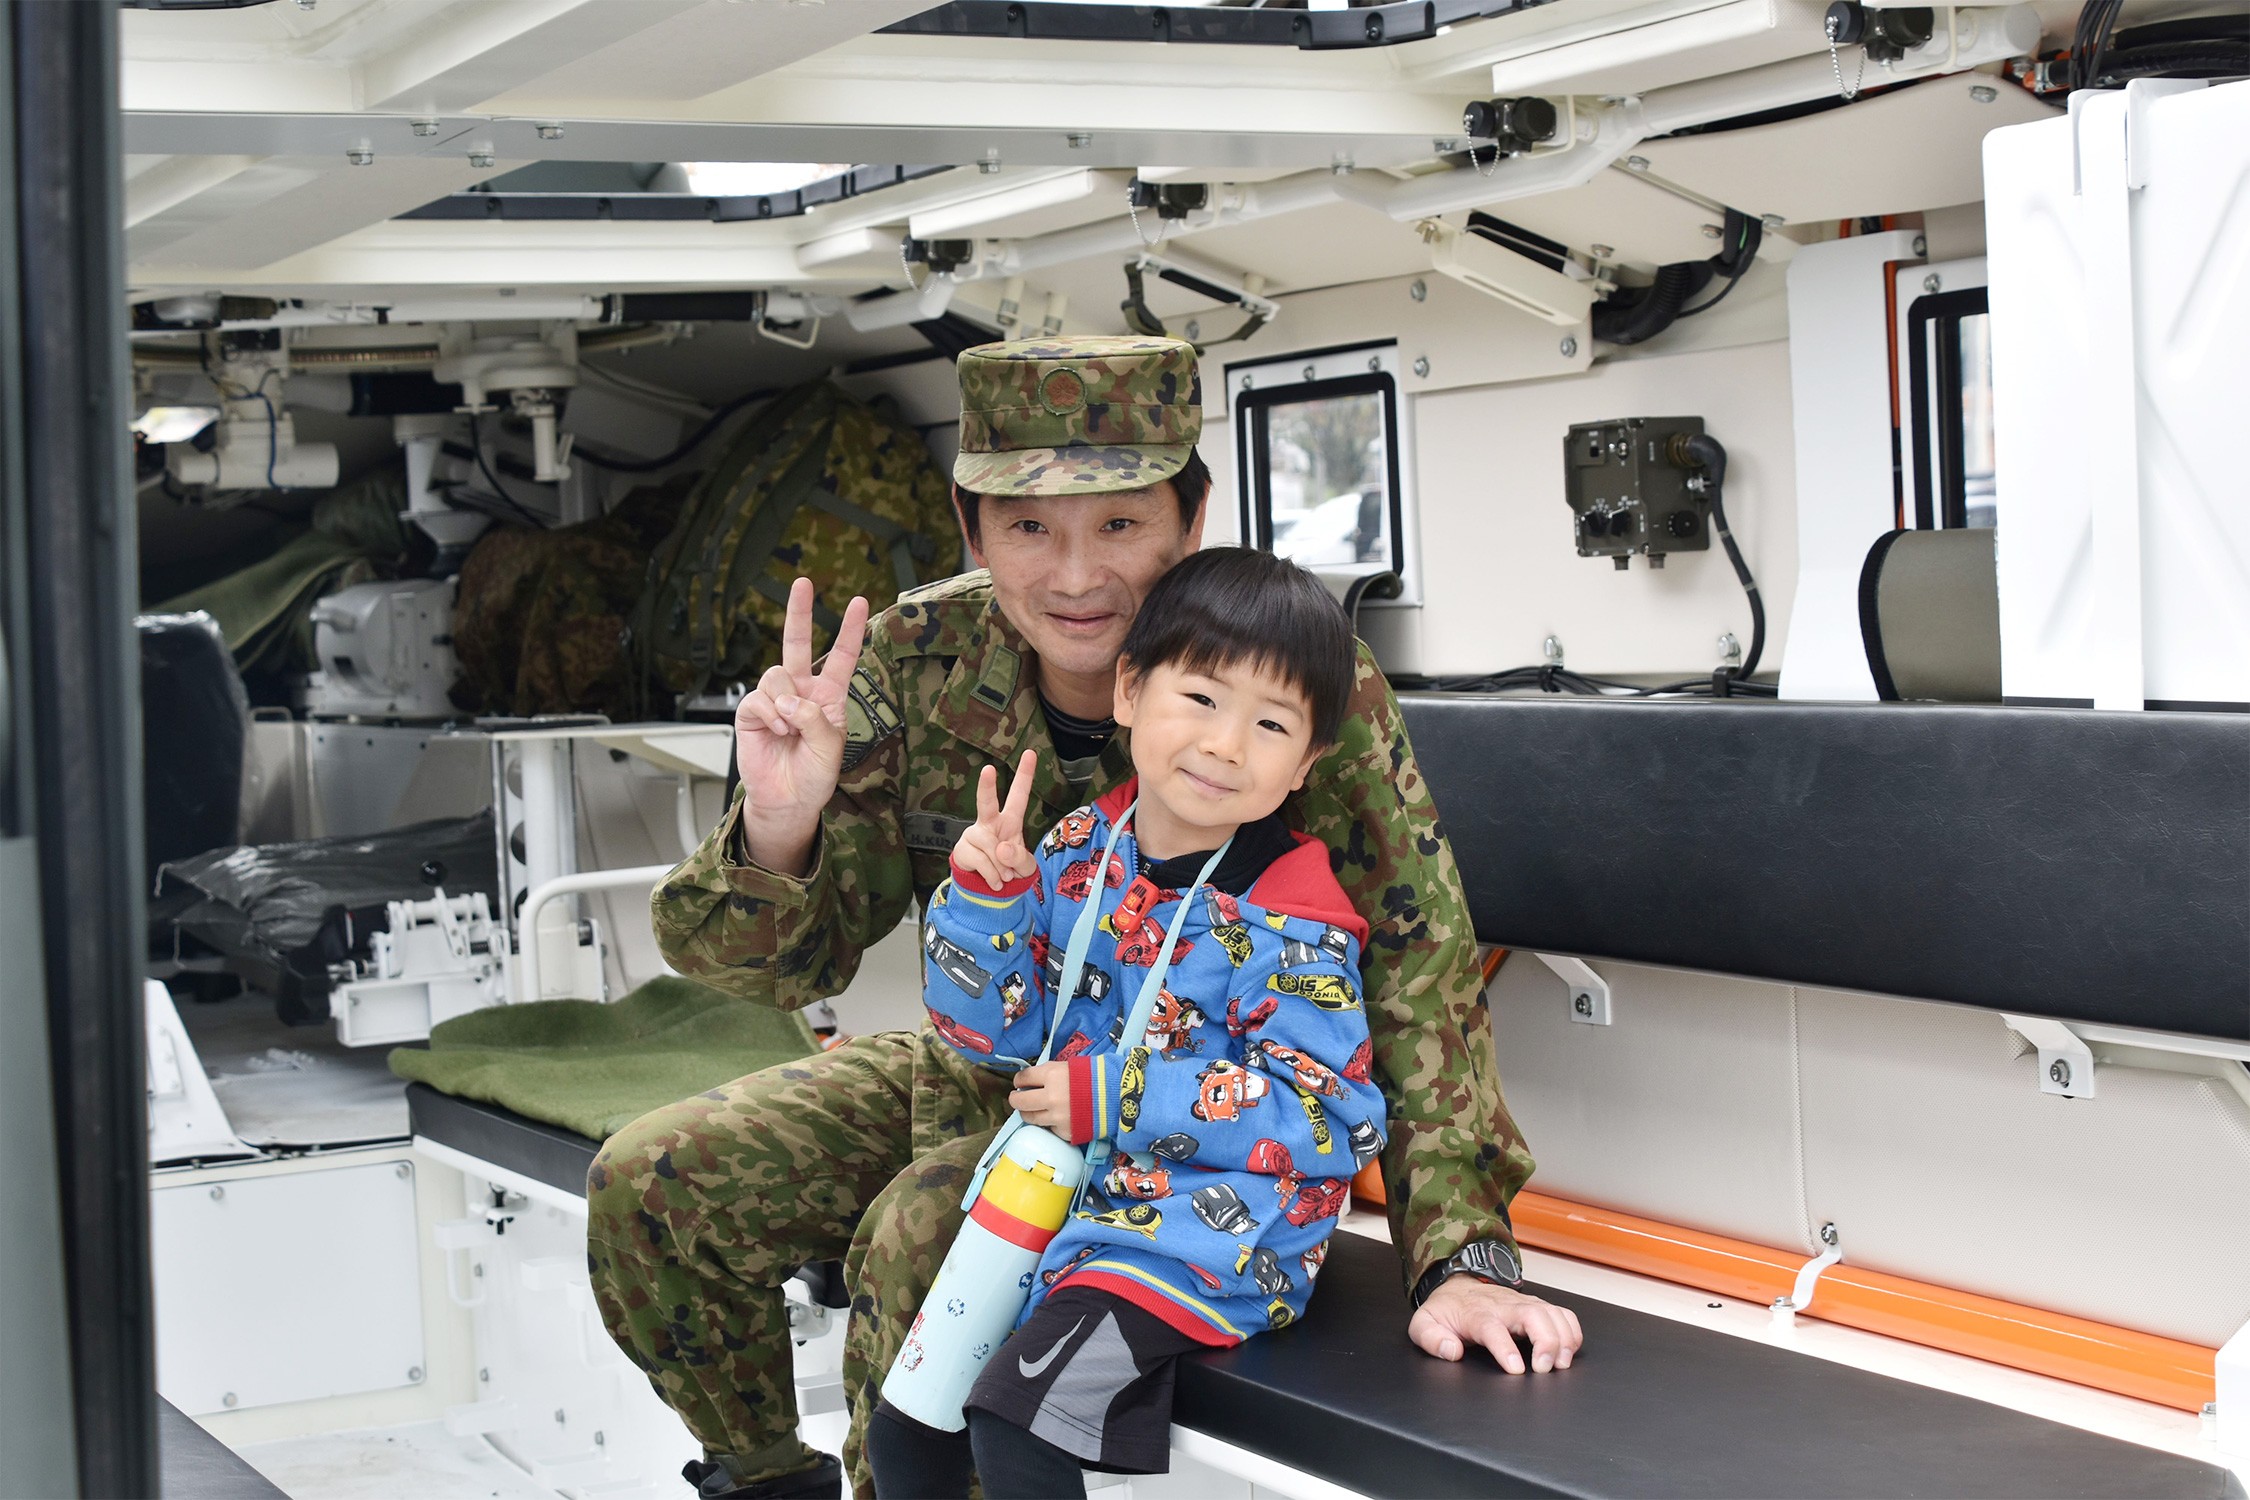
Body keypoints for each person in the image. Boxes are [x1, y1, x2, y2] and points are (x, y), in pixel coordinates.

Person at [586, 335, 1582, 1500]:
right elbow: (764, 965)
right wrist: (781, 825)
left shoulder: (1298, 682)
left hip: (1186, 1131)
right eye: (1028, 529)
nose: (1075, 577)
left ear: (1192, 513)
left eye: (1119, 526)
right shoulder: (907, 664)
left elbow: (1416, 956)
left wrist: (1461, 1253)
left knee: (927, 1225)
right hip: (980, 1073)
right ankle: (768, 1480)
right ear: (969, 528)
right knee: (650, 1181)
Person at [867, 548, 1387, 1496]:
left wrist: (1118, 1094)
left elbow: (1333, 1118)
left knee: (1018, 1426)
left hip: (1205, 1238)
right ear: (1130, 692)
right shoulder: (1076, 851)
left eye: (1270, 723)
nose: (1227, 744)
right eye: (1200, 699)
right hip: (1061, 1203)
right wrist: (986, 910)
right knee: (907, 1433)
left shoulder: (1293, 920)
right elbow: (994, 1036)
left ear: (1306, 761)